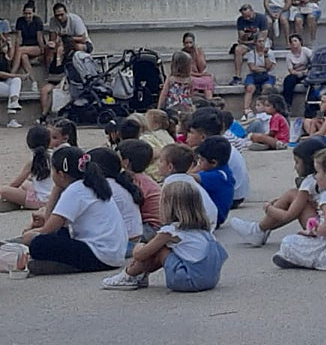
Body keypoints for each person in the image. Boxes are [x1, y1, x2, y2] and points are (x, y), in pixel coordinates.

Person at [101, 180, 228, 291]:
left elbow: (139, 255)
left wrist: (139, 246)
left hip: (189, 281)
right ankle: (139, 274)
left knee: (160, 248)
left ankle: (129, 275)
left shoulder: (171, 232)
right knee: (164, 247)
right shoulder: (203, 231)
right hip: (210, 280)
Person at [21, 146, 126, 275]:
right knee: (59, 234)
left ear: (61, 174)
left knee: (38, 244)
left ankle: (65, 266)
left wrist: (29, 235)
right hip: (113, 254)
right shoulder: (91, 183)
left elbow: (48, 229)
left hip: (100, 255)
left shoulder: (76, 190)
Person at [1, 124, 53, 210]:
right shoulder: (54, 156)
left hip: (39, 200)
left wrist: (9, 192)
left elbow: (15, 184)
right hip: (51, 198)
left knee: (3, 190)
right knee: (26, 185)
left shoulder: (33, 161)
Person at [231, 3, 268, 85]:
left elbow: (263, 37)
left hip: (260, 42)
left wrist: (248, 41)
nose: (247, 18)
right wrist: (245, 36)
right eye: (245, 17)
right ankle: (237, 76)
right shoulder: (240, 20)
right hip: (248, 44)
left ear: (252, 11)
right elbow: (240, 37)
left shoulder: (261, 18)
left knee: (263, 46)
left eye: (249, 16)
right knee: (238, 49)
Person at [181, 33, 214, 101]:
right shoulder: (182, 55)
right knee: (191, 80)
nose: (189, 45)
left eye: (190, 42)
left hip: (198, 75)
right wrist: (201, 74)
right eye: (186, 43)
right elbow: (186, 72)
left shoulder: (197, 52)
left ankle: (210, 101)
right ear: (183, 43)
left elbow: (202, 68)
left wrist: (198, 54)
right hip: (188, 76)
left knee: (209, 79)